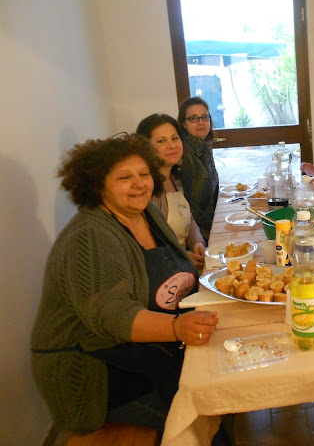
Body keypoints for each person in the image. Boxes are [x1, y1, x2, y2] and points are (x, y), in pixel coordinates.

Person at [31, 134, 219, 436]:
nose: (139, 184)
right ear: (98, 185)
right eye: (124, 177)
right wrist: (176, 327)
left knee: (220, 375)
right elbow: (113, 315)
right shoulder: (91, 236)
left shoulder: (147, 213)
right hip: (99, 374)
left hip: (148, 352)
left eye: (144, 174)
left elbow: (156, 265)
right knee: (203, 410)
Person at [137, 113, 207, 269]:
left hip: (187, 263)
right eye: (161, 141)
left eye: (175, 138)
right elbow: (148, 249)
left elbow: (188, 219)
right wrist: (180, 259)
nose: (172, 145)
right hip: (167, 272)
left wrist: (197, 242)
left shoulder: (175, 179)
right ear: (145, 148)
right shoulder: (145, 191)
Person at [177, 96, 221, 240]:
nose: (201, 122)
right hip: (195, 233)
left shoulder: (204, 148)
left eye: (204, 117)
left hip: (210, 223)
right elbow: (190, 204)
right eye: (193, 118)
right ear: (183, 124)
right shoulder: (182, 153)